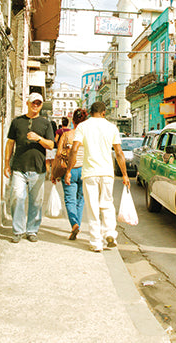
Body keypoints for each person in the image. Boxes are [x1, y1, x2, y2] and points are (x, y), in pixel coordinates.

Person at [70, 101, 131, 252]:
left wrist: (69, 170)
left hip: (90, 172)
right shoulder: (111, 127)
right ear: (104, 112)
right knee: (107, 204)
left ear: (90, 112)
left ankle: (96, 242)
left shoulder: (83, 126)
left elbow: (74, 149)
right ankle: (110, 233)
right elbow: (118, 152)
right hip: (107, 173)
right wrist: (124, 174)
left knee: (92, 207)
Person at [3, 93, 56, 243]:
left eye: (38, 103)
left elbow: (51, 145)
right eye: (33, 102)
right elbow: (10, 143)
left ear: (41, 105)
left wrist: (38, 139)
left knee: (36, 202)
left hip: (38, 168)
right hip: (19, 167)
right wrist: (6, 163)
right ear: (27, 103)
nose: (35, 105)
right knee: (17, 197)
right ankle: (18, 230)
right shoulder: (17, 122)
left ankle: (32, 230)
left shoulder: (45, 123)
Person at [53, 109, 89, 240]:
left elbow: (58, 155)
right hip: (85, 170)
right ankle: (77, 224)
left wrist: (53, 173)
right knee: (81, 200)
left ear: (73, 121)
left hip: (70, 170)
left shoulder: (67, 135)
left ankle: (74, 224)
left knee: (70, 200)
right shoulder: (88, 136)